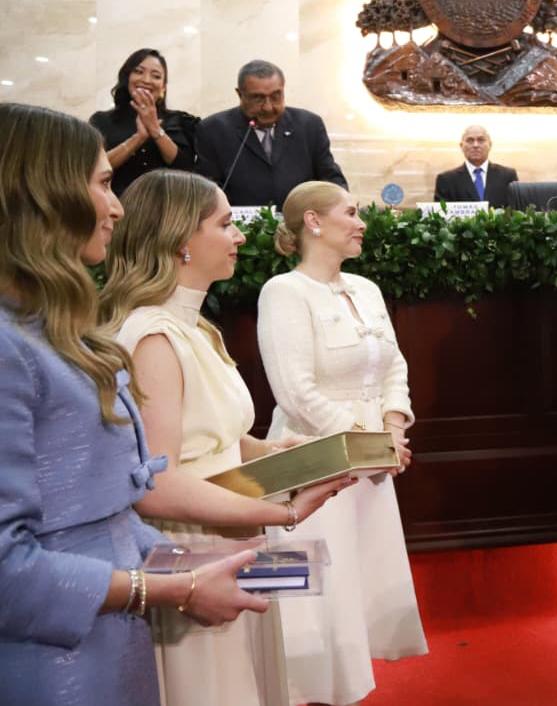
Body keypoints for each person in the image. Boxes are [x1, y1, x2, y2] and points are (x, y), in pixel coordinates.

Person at [0, 103, 315, 706]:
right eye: (102, 184)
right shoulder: (17, 347)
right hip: (56, 657)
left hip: (118, 620)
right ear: (42, 195)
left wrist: (201, 561)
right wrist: (176, 584)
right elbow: (13, 565)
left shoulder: (55, 331)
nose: (116, 206)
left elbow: (117, 507)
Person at [99, 170, 354, 706]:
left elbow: (217, 437)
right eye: (224, 223)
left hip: (228, 535)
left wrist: (281, 454)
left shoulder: (196, 328)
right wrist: (283, 512)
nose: (239, 235)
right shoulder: (153, 336)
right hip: (190, 550)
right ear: (180, 240)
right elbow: (159, 483)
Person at [256, 181, 427, 705]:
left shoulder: (366, 288)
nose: (361, 223)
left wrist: (392, 429)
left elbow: (394, 365)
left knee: (355, 593)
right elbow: (296, 392)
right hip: (311, 462)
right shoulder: (283, 292)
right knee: (312, 602)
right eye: (350, 213)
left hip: (372, 463)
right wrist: (369, 446)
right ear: (313, 222)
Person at [196, 59, 347, 207]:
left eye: (276, 96)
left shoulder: (309, 125)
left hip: (300, 220)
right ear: (240, 94)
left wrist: (343, 208)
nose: (268, 107)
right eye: (258, 98)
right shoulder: (213, 130)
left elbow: (330, 178)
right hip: (238, 221)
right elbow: (206, 192)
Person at [89, 48, 199, 196]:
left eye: (156, 76)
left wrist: (155, 130)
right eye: (138, 72)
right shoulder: (102, 120)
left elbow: (186, 170)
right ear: (127, 78)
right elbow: (93, 167)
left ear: (163, 86)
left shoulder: (181, 121)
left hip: (167, 204)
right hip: (116, 203)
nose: (146, 80)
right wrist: (138, 138)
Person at [433, 125, 519, 207]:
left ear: (490, 145)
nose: (475, 145)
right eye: (470, 140)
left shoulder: (508, 176)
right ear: (461, 146)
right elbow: (441, 213)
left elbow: (516, 209)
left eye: (481, 140)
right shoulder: (446, 180)